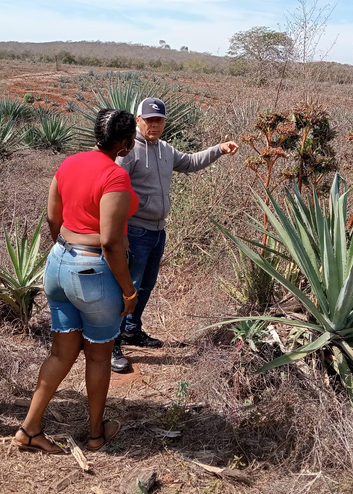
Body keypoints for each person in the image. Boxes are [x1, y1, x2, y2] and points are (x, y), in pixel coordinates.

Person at [13, 109, 139, 453]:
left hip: (58, 264)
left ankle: (29, 428)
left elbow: (53, 217)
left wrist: (66, 252)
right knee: (98, 357)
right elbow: (112, 242)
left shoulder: (69, 163)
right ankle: (96, 434)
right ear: (126, 144)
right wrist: (129, 290)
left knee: (61, 352)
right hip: (94, 271)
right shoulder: (115, 177)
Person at [112, 97, 239, 373]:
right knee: (127, 288)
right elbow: (117, 189)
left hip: (158, 231)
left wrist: (218, 149)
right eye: (149, 120)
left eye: (159, 120)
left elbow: (191, 162)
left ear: (165, 122)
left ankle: (132, 330)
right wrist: (128, 223)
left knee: (146, 285)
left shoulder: (166, 150)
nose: (154, 125)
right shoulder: (129, 151)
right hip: (135, 230)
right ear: (138, 120)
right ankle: (112, 343)